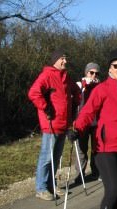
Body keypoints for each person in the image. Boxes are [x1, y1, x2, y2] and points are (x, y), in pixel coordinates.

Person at [71, 48, 117, 209]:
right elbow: (87, 112)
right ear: (110, 68)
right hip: (105, 147)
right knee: (113, 189)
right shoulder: (101, 89)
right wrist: (77, 128)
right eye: (116, 66)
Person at [28, 49, 80, 201]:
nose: (65, 61)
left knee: (56, 157)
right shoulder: (47, 75)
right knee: (46, 157)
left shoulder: (66, 76)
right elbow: (33, 93)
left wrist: (75, 103)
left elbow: (77, 91)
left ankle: (51, 185)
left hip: (64, 123)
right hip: (51, 123)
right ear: (55, 60)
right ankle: (41, 188)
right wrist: (46, 106)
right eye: (62, 58)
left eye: (66, 58)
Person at [74, 62, 101, 183]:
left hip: (97, 122)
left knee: (96, 149)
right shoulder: (79, 85)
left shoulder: (100, 86)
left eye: (96, 73)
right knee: (81, 149)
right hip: (83, 122)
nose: (94, 75)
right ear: (86, 72)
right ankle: (80, 174)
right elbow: (74, 102)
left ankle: (96, 172)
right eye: (91, 72)